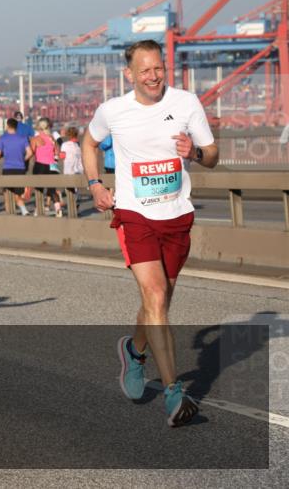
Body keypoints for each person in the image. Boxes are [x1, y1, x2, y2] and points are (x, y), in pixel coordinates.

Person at [82, 39, 218, 428]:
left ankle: (134, 351)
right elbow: (88, 143)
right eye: (145, 70)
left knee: (159, 301)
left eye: (158, 68)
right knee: (155, 295)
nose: (153, 76)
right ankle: (175, 392)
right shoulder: (113, 110)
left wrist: (194, 153)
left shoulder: (186, 103)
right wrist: (95, 184)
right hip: (134, 214)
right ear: (130, 74)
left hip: (177, 216)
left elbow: (212, 156)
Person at [0, 118, 33, 216]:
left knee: (7, 193)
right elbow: (30, 153)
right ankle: (24, 210)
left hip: (8, 169)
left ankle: (9, 215)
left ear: (7, 126)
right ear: (16, 126)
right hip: (20, 169)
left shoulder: (2, 138)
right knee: (17, 193)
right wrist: (23, 159)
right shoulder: (23, 138)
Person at [30, 118, 62, 217]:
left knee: (39, 188)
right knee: (52, 189)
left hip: (40, 165)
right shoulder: (52, 138)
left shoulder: (36, 139)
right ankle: (58, 209)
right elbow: (57, 152)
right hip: (52, 166)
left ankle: (37, 210)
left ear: (39, 127)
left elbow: (31, 152)